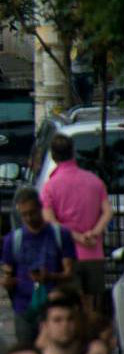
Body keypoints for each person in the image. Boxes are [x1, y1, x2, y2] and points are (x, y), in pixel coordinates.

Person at [0, 187, 77, 346]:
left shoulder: (60, 235)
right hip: (24, 308)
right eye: (24, 214)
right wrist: (7, 282)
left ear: (40, 208)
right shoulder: (12, 240)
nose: (28, 218)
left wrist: (49, 276)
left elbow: (70, 273)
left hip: (54, 307)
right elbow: (7, 273)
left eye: (32, 213)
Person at [40, 134, 109, 313]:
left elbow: (50, 220)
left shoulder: (51, 186)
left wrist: (77, 237)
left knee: (72, 307)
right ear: (73, 152)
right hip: (94, 252)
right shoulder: (95, 181)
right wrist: (94, 233)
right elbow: (107, 211)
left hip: (66, 256)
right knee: (93, 307)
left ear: (53, 155)